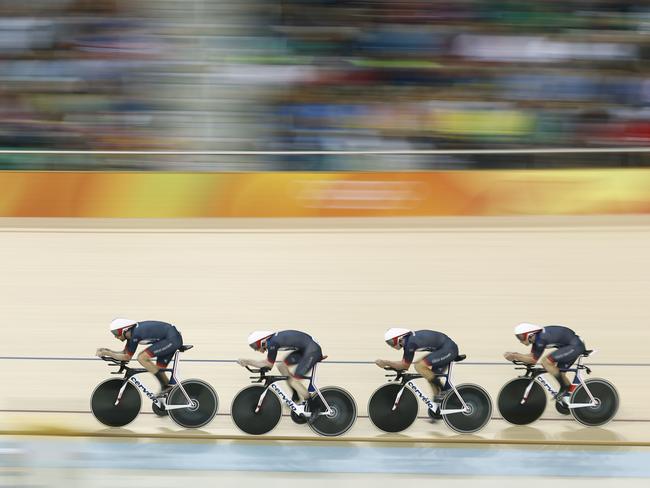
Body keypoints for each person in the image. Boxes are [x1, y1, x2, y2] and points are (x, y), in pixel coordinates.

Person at [375, 328, 459, 413]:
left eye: (391, 342)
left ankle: (444, 391)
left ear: (399, 338)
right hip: (444, 349)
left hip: (448, 350)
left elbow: (404, 365)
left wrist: (385, 362)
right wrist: (390, 364)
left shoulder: (410, 343)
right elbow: (404, 365)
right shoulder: (408, 340)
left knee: (419, 366)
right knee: (429, 375)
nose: (391, 345)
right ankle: (438, 407)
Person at [237, 330, 324, 412]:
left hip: (312, 351)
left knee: (294, 381)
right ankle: (296, 396)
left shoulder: (272, 343)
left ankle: (315, 407)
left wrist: (247, 361)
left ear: (262, 341)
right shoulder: (272, 340)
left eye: (255, 346)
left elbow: (268, 365)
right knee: (281, 366)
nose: (256, 349)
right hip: (305, 349)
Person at [95, 318, 183, 396]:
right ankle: (171, 392)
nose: (115, 336)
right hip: (170, 338)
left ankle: (165, 386)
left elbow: (126, 357)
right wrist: (107, 351)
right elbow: (124, 353)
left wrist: (108, 353)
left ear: (124, 330)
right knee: (158, 369)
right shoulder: (132, 334)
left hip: (172, 339)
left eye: (116, 332)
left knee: (142, 357)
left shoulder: (135, 335)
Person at [504, 322, 586, 401]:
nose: (520, 340)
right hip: (571, 345)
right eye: (518, 337)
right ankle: (569, 394)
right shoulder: (537, 338)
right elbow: (531, 356)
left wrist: (515, 356)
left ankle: (564, 388)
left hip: (575, 346)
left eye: (521, 337)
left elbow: (532, 360)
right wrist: (515, 354)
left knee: (546, 362)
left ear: (530, 334)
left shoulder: (541, 339)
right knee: (559, 373)